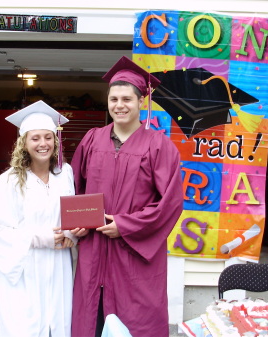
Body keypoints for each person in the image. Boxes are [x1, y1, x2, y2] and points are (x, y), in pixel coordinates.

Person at [70, 56, 184, 337]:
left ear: (141, 102)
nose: (119, 106)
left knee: (136, 318)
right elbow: (74, 188)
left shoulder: (159, 146)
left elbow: (170, 203)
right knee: (90, 317)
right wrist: (77, 222)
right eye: (113, 99)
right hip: (94, 248)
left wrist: (126, 225)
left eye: (126, 99)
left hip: (133, 254)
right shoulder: (92, 139)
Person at [0, 100, 77, 337]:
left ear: (55, 141)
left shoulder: (65, 174)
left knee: (58, 323)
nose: (43, 144)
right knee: (25, 326)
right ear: (23, 143)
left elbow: (73, 213)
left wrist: (72, 234)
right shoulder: (9, 181)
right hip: (26, 265)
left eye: (48, 137)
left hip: (58, 265)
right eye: (35, 138)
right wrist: (40, 238)